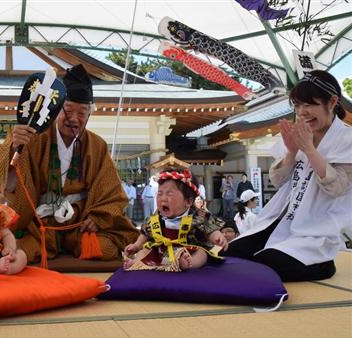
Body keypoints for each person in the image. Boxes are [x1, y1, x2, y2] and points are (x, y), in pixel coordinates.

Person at [0, 64, 139, 264]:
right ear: (55, 110)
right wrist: (13, 146)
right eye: (68, 110)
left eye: (82, 112)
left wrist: (98, 218)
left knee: (104, 248)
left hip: (79, 222)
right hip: (38, 222)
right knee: (15, 249)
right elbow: (9, 177)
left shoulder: (97, 145)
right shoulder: (34, 137)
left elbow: (111, 190)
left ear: (89, 114)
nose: (75, 119)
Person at [224, 70, 352, 281]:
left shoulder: (347, 139)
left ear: (332, 102)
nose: (302, 112)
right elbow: (278, 181)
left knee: (266, 266)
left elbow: (337, 187)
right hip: (281, 219)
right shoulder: (300, 132)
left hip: (314, 230)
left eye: (309, 105)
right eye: (297, 105)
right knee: (230, 255)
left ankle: (323, 264)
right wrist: (291, 152)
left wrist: (310, 151)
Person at [123, 168, 227, 272]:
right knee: (144, 250)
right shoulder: (156, 217)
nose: (163, 198)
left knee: (202, 254)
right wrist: (136, 245)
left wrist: (216, 237)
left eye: (169, 194)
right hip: (161, 251)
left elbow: (210, 229)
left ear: (189, 201)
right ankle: (136, 262)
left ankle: (188, 263)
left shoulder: (197, 215)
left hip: (188, 250)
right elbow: (145, 233)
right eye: (160, 193)